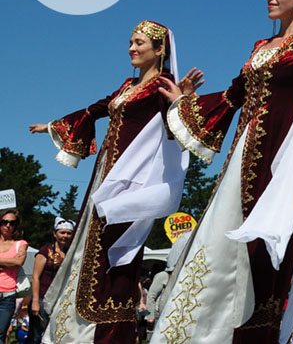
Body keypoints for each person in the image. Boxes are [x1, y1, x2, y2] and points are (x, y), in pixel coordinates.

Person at [152, 0, 293, 344]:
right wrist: (185, 103)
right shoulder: (259, 48)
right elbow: (233, 96)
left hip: (279, 164)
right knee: (218, 246)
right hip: (241, 160)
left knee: (259, 259)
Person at [30, 20, 191, 344]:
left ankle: (109, 331)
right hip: (105, 175)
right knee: (89, 245)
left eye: (139, 43)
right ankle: (74, 330)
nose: (132, 48)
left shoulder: (163, 84)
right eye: (131, 42)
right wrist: (53, 126)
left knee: (115, 251)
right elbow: (95, 110)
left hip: (131, 182)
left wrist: (181, 101)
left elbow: (177, 131)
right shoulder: (126, 87)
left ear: (159, 50)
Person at [27, 218, 73, 344]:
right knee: (35, 335)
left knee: (55, 334)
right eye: (62, 232)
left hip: (61, 299)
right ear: (55, 233)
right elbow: (35, 277)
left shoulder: (71, 253)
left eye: (68, 233)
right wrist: (35, 301)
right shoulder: (45, 251)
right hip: (42, 297)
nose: (65, 236)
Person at [0, 210, 27, 339]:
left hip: (8, 295)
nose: (8, 225)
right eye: (4, 222)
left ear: (16, 225)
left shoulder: (20, 244)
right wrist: (9, 263)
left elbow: (19, 261)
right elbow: (14, 262)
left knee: (1, 334)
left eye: (12, 222)